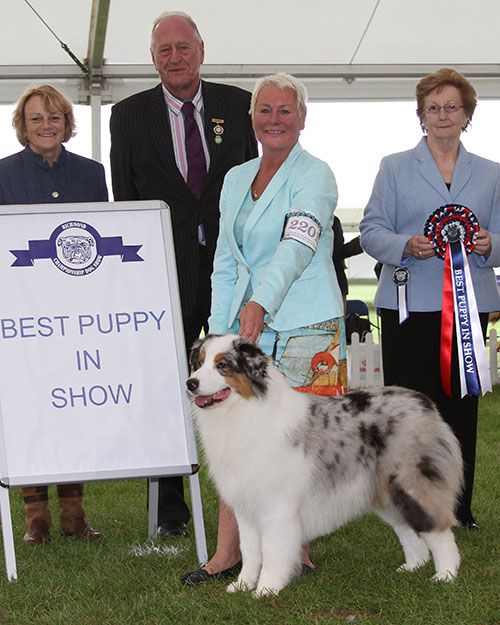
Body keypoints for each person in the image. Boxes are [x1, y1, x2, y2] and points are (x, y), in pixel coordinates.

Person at [182, 73, 345, 585]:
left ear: (302, 118)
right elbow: (225, 260)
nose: (275, 119)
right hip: (243, 327)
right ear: (251, 118)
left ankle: (297, 546)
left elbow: (296, 247)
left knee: (300, 444)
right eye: (265, 110)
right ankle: (229, 552)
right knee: (235, 439)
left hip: (306, 324)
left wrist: (259, 303)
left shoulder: (315, 175)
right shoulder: (235, 178)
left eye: (285, 110)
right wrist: (222, 328)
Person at [109, 11, 258, 538]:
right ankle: (171, 509)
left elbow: (253, 186)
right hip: (162, 277)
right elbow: (123, 202)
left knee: (234, 383)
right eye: (164, 49)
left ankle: (243, 498)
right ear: (153, 58)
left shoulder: (239, 105)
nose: (175, 56)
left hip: (227, 274)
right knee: (166, 385)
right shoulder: (127, 115)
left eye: (183, 46)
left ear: (201, 48)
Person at [359, 68, 500, 530]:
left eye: (452, 106)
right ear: (420, 116)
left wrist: (488, 244)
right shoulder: (394, 167)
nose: (443, 115)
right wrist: (406, 245)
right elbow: (371, 232)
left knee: (462, 408)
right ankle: (413, 509)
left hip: (469, 304)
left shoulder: (492, 173)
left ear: (467, 115)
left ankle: (459, 509)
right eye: (433, 107)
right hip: (407, 305)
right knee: (411, 412)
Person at [0, 84, 107, 543]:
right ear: (22, 126)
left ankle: (73, 514)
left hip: (77, 314)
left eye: (54, 117)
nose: (46, 125)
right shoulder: (3, 173)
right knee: (31, 407)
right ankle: (35, 517)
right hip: (24, 315)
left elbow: (103, 240)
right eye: (36, 118)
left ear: (67, 122)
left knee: (72, 406)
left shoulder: (92, 173)